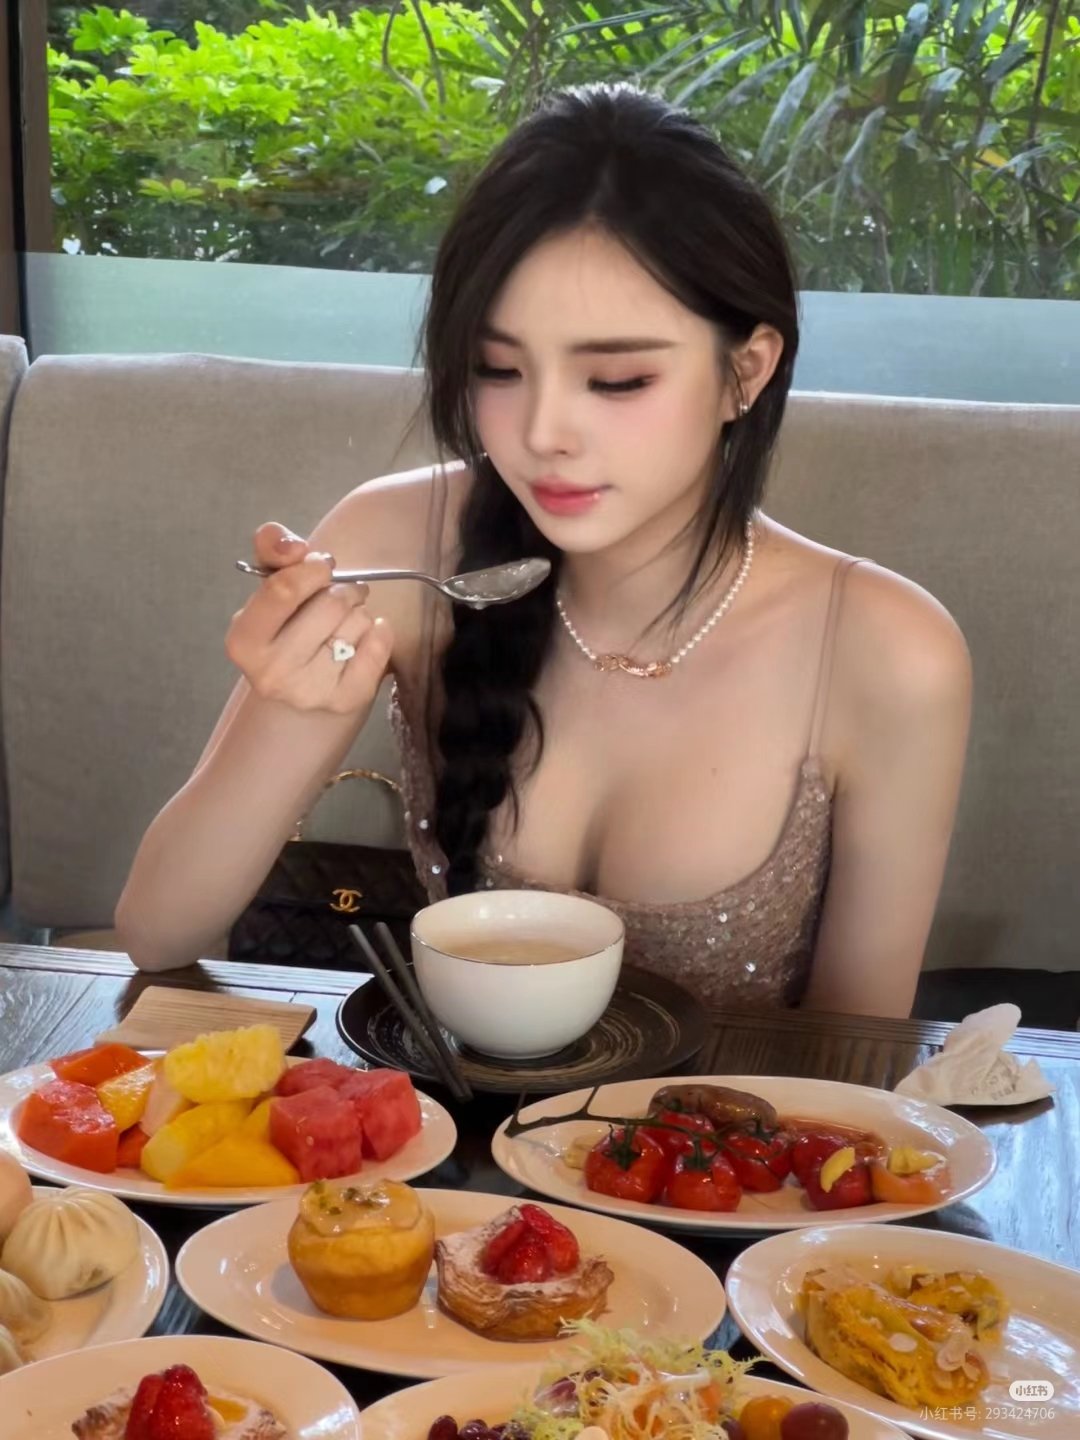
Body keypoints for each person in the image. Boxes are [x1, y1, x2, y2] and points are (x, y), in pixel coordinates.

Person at [116, 83, 971, 1017]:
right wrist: (285, 705)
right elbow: (158, 933)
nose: (542, 433)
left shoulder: (885, 652)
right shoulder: (398, 546)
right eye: (499, 369)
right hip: (437, 1111)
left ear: (746, 371)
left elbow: (855, 1062)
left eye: (617, 379)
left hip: (737, 1121)